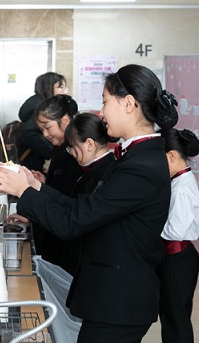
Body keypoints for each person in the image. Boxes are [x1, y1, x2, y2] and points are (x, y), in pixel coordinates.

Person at [0, 64, 179, 343]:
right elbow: (83, 206)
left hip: (119, 301)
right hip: (110, 298)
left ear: (128, 104)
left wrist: (24, 193)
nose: (101, 112)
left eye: (105, 101)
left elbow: (74, 221)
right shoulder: (134, 157)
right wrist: (35, 186)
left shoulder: (142, 165)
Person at [157, 128, 199, 343]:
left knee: (176, 320)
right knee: (173, 316)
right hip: (176, 257)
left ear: (171, 156)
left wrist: (150, 225)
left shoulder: (182, 187)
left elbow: (174, 231)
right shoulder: (179, 181)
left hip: (178, 259)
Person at [29, 95, 83, 273]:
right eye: (41, 129)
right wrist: (45, 183)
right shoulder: (60, 149)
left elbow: (70, 198)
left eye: (47, 127)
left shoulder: (77, 152)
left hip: (67, 239)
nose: (45, 135)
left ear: (65, 121)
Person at [62, 112, 117, 275]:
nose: (71, 153)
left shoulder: (102, 174)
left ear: (90, 144)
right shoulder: (97, 169)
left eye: (72, 147)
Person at [18, 71, 68, 172]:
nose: (64, 92)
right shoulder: (41, 108)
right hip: (33, 163)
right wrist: (52, 152)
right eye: (60, 87)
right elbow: (29, 132)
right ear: (48, 87)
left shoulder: (35, 103)